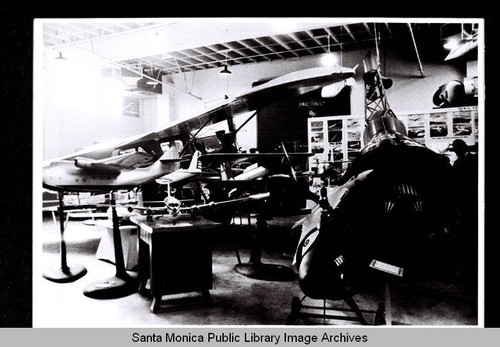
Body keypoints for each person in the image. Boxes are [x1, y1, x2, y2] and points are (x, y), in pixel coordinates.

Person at [449, 139, 478, 293]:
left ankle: (469, 272)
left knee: (468, 237)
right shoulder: (476, 159)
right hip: (475, 203)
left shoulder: (460, 164)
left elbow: (455, 186)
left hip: (467, 205)